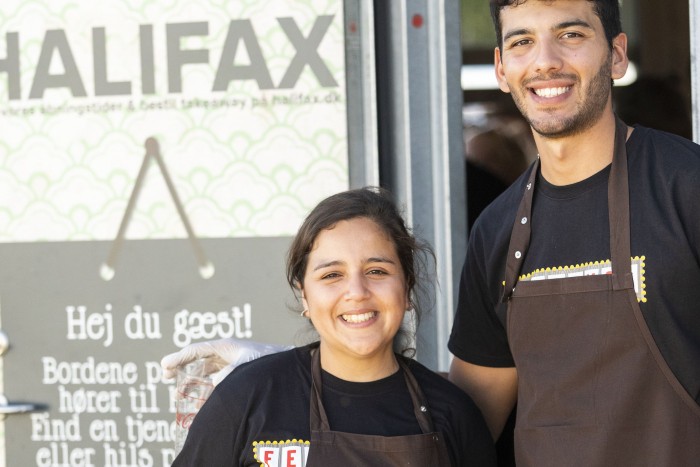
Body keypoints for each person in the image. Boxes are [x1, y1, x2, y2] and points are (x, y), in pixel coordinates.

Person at [447, 0, 700, 465]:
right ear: (502, 69)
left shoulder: (688, 186)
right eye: (522, 42)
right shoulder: (496, 229)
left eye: (571, 35)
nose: (545, 60)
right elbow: (471, 424)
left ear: (617, 56)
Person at [170, 187, 496, 466]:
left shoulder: (453, 413)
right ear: (305, 297)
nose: (356, 292)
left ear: (407, 288)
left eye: (377, 271)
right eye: (331, 275)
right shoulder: (246, 398)